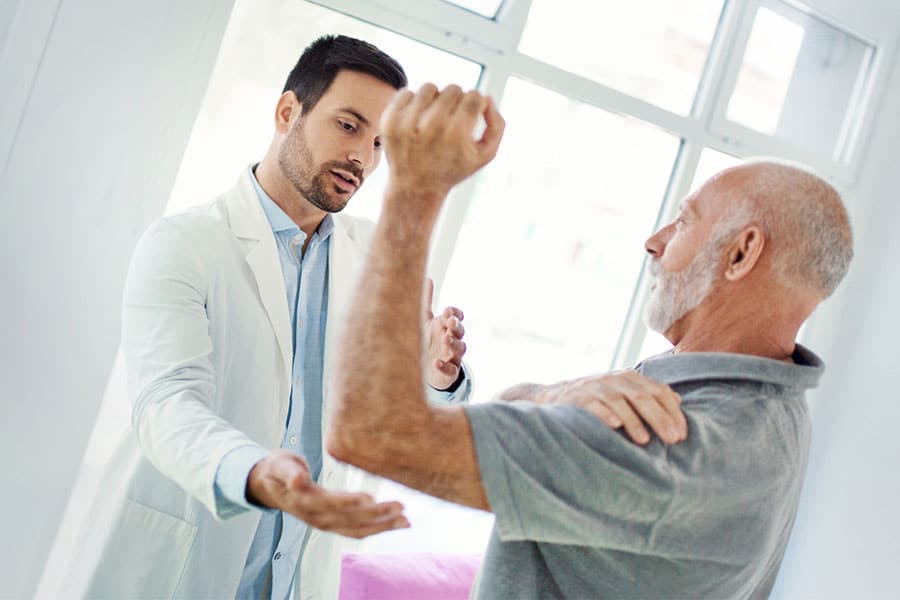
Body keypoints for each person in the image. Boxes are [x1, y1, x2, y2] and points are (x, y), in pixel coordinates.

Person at [326, 83, 853, 599]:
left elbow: (370, 432)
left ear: (740, 254)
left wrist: (416, 190)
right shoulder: (755, 412)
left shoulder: (674, 441)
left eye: (683, 222)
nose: (654, 242)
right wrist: (550, 394)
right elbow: (522, 413)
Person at [73, 36, 477, 600]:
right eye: (348, 125)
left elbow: (395, 420)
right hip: (181, 567)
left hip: (293, 580)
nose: (363, 157)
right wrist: (255, 473)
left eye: (381, 142)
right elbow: (165, 404)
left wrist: (437, 377)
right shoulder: (184, 243)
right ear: (288, 112)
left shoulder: (379, 260)